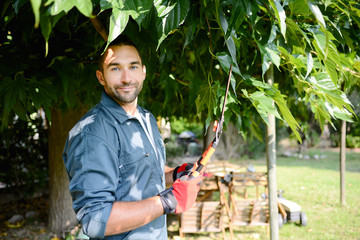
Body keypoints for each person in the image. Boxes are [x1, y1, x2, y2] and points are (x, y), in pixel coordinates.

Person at [63, 35, 203, 239]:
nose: (126, 78)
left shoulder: (147, 118)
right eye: (115, 68)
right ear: (101, 77)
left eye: (133, 67)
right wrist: (168, 201)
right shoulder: (91, 134)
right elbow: (95, 220)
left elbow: (140, 173)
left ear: (144, 72)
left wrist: (175, 174)